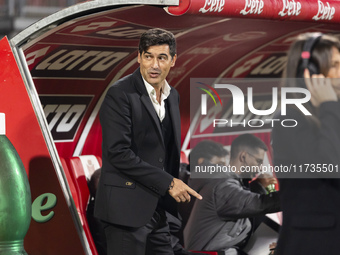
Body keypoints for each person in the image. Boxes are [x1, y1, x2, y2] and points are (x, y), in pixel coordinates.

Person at [94, 28, 202, 255]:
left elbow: (167, 152)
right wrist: (170, 183)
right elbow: (119, 153)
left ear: (173, 60)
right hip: (124, 210)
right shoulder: (120, 94)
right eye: (148, 56)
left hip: (158, 208)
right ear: (139, 56)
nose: (154, 65)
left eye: (161, 58)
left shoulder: (173, 96)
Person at [271, 32, 340, 255]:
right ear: (310, 72)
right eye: (336, 66)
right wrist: (329, 104)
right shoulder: (290, 120)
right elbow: (331, 163)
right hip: (312, 243)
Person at [184, 136, 280, 254]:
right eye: (258, 161)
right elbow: (260, 203)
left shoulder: (227, 185)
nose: (260, 168)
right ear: (243, 156)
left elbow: (242, 205)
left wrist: (257, 187)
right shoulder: (221, 186)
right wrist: (300, 193)